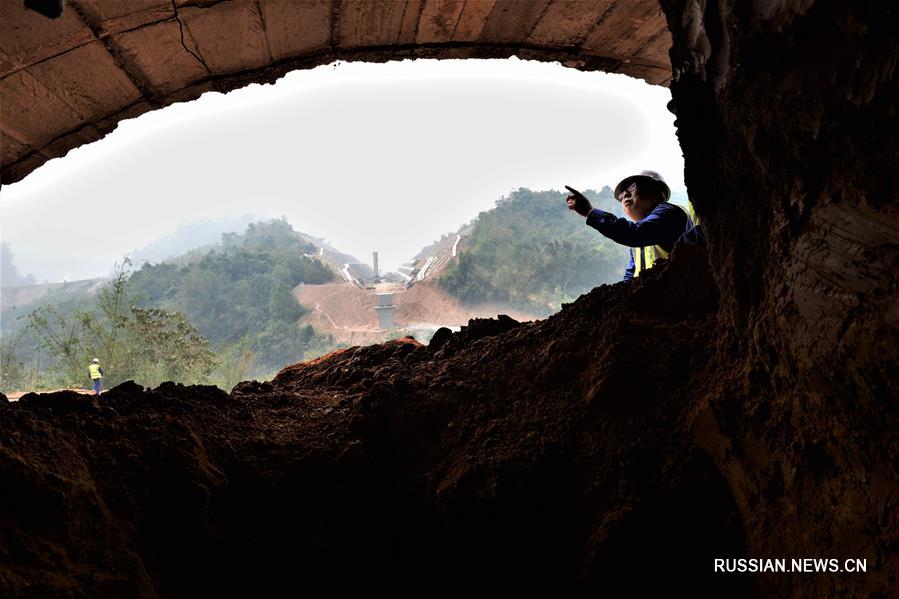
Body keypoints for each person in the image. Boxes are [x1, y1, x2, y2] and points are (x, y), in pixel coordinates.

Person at [566, 171, 695, 281]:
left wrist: (590, 212)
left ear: (657, 195)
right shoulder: (638, 242)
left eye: (633, 187)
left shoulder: (669, 213)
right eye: (621, 195)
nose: (625, 195)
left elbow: (635, 233)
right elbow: (631, 277)